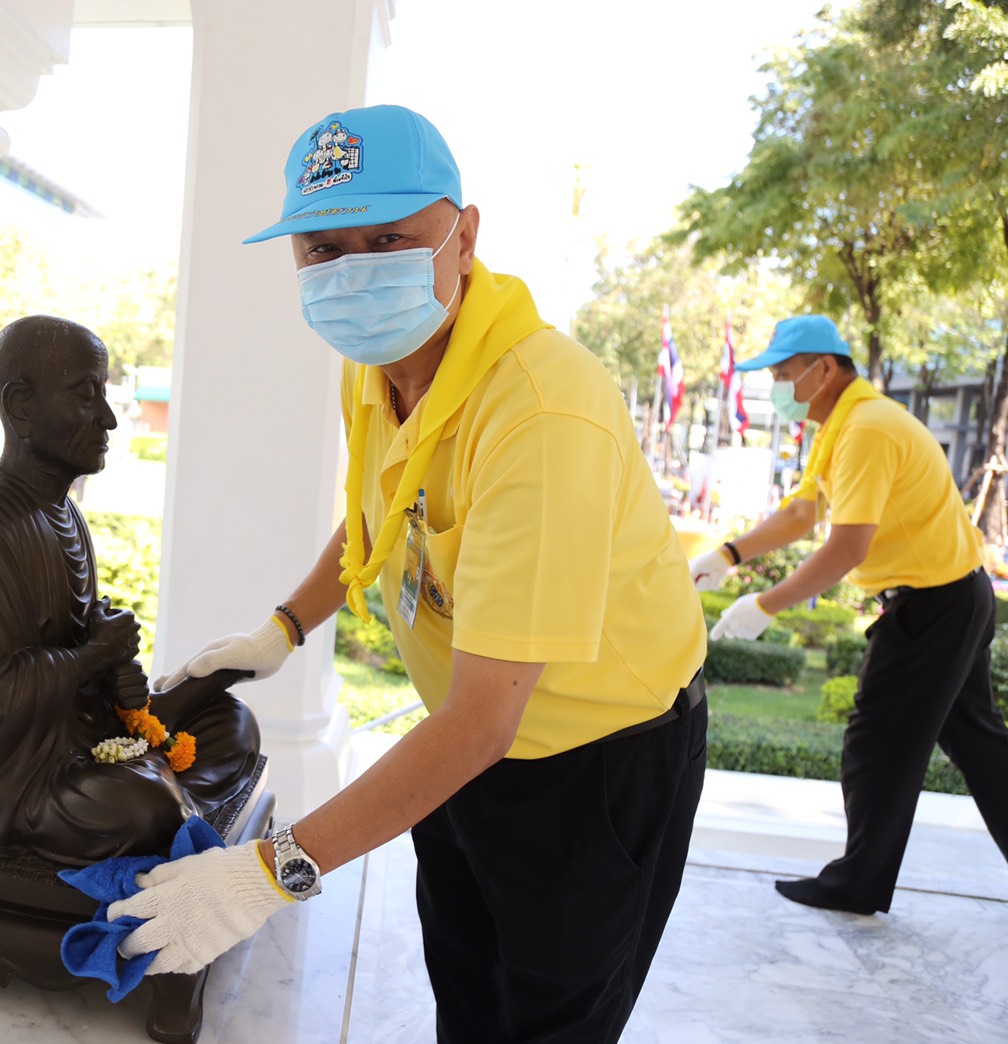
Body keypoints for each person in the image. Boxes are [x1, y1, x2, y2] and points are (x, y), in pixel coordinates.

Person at [109, 105, 708, 1043]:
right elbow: (383, 514)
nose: (353, 271)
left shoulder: (541, 412)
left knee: (550, 1014)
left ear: (463, 237)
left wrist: (265, 875)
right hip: (460, 746)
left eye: (388, 238)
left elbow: (485, 721)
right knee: (465, 984)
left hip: (589, 761)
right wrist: (284, 627)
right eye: (322, 247)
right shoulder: (383, 360)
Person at [0, 315, 262, 866]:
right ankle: (171, 809)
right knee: (142, 804)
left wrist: (113, 670)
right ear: (22, 406)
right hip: (15, 779)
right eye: (86, 394)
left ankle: (174, 808)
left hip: (88, 742)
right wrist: (92, 656)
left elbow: (80, 655)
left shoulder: (66, 514)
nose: (108, 418)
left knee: (233, 724)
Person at [693, 314, 1008, 915]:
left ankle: (857, 884)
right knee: (977, 742)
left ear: (824, 369)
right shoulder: (844, 424)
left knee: (878, 742)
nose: (779, 388)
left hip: (934, 604)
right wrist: (728, 556)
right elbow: (802, 512)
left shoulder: (867, 429)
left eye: (784, 375)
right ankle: (860, 880)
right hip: (952, 597)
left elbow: (846, 549)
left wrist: (765, 604)